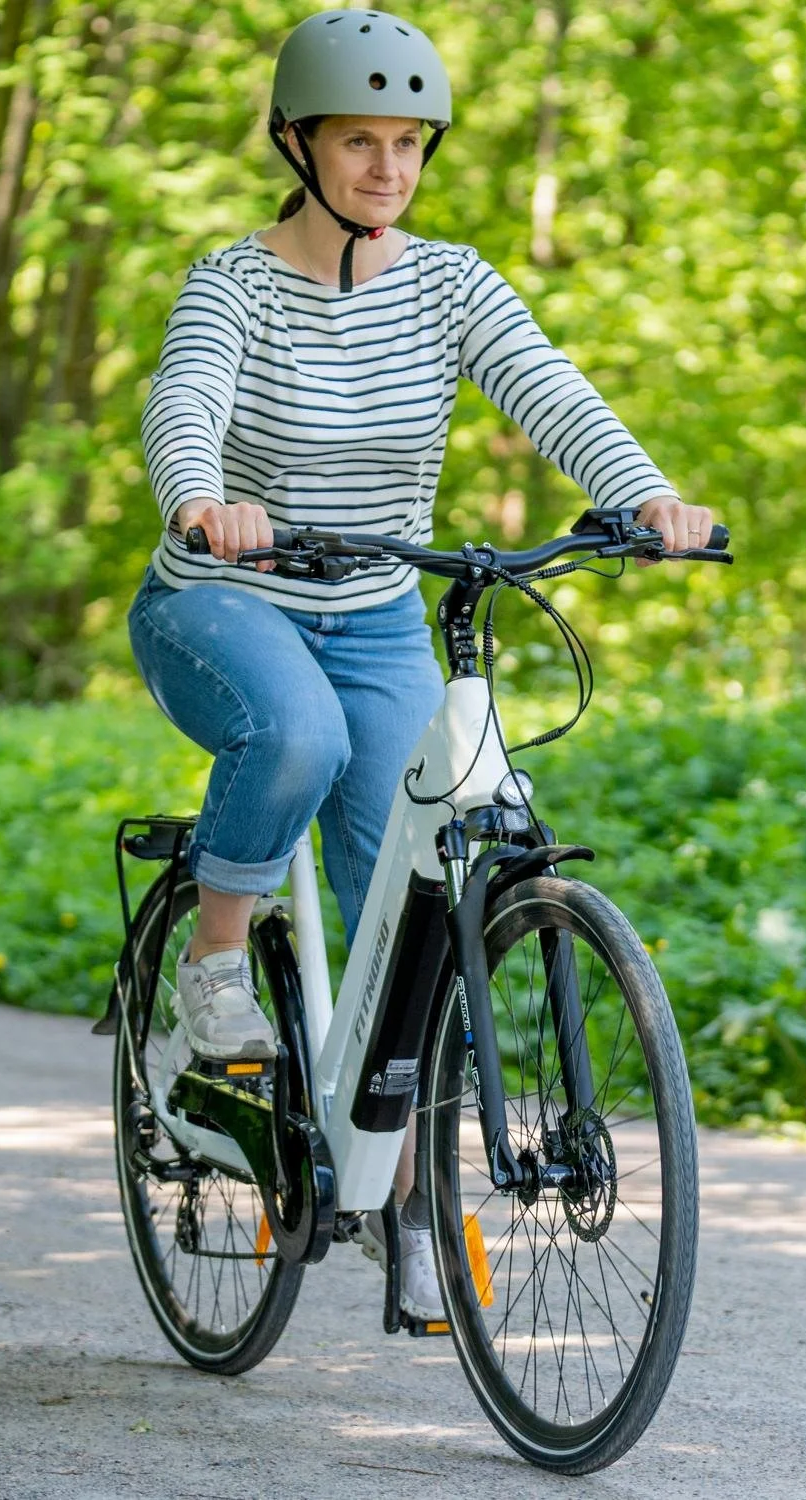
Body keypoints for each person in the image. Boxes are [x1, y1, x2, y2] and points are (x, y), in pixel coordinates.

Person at [129, 7, 713, 1317]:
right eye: (358, 142)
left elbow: (547, 385)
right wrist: (200, 498)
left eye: (407, 144)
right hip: (225, 599)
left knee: (419, 876)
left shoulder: (450, 284)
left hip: (383, 604)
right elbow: (188, 395)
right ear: (298, 142)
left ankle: (397, 1183)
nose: (386, 169)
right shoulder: (232, 281)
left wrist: (652, 497)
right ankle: (214, 969)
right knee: (300, 738)